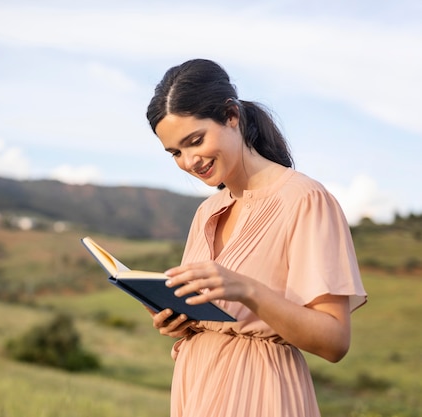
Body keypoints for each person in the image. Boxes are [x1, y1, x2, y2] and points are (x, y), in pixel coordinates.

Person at [145, 58, 367, 417]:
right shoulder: (205, 212)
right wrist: (179, 320)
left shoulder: (304, 199)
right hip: (195, 386)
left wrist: (246, 290)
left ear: (231, 115)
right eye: (175, 152)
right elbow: (214, 314)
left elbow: (335, 341)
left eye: (195, 141)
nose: (189, 161)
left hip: (261, 392)